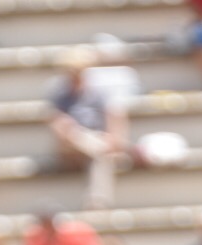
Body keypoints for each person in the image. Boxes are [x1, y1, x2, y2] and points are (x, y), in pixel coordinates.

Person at [47, 49, 136, 210]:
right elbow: (56, 124)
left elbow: (114, 117)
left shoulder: (98, 93)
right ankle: (98, 201)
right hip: (71, 143)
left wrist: (113, 139)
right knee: (92, 145)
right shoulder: (60, 95)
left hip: (95, 140)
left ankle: (97, 201)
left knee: (99, 154)